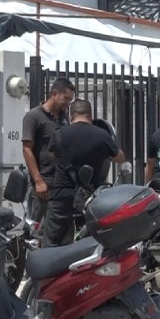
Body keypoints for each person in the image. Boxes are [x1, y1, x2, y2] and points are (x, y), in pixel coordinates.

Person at [43, 99, 125, 247]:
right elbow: (120, 158)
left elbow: (52, 155)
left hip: (62, 195)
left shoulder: (58, 135)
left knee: (52, 242)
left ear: (70, 116)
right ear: (90, 116)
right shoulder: (102, 135)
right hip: (91, 197)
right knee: (93, 242)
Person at [22, 77, 75, 222]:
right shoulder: (33, 117)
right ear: (54, 94)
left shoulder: (64, 118)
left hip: (61, 184)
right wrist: (38, 181)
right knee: (36, 229)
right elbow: (27, 150)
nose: (68, 103)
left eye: (70, 100)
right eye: (66, 98)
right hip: (43, 185)